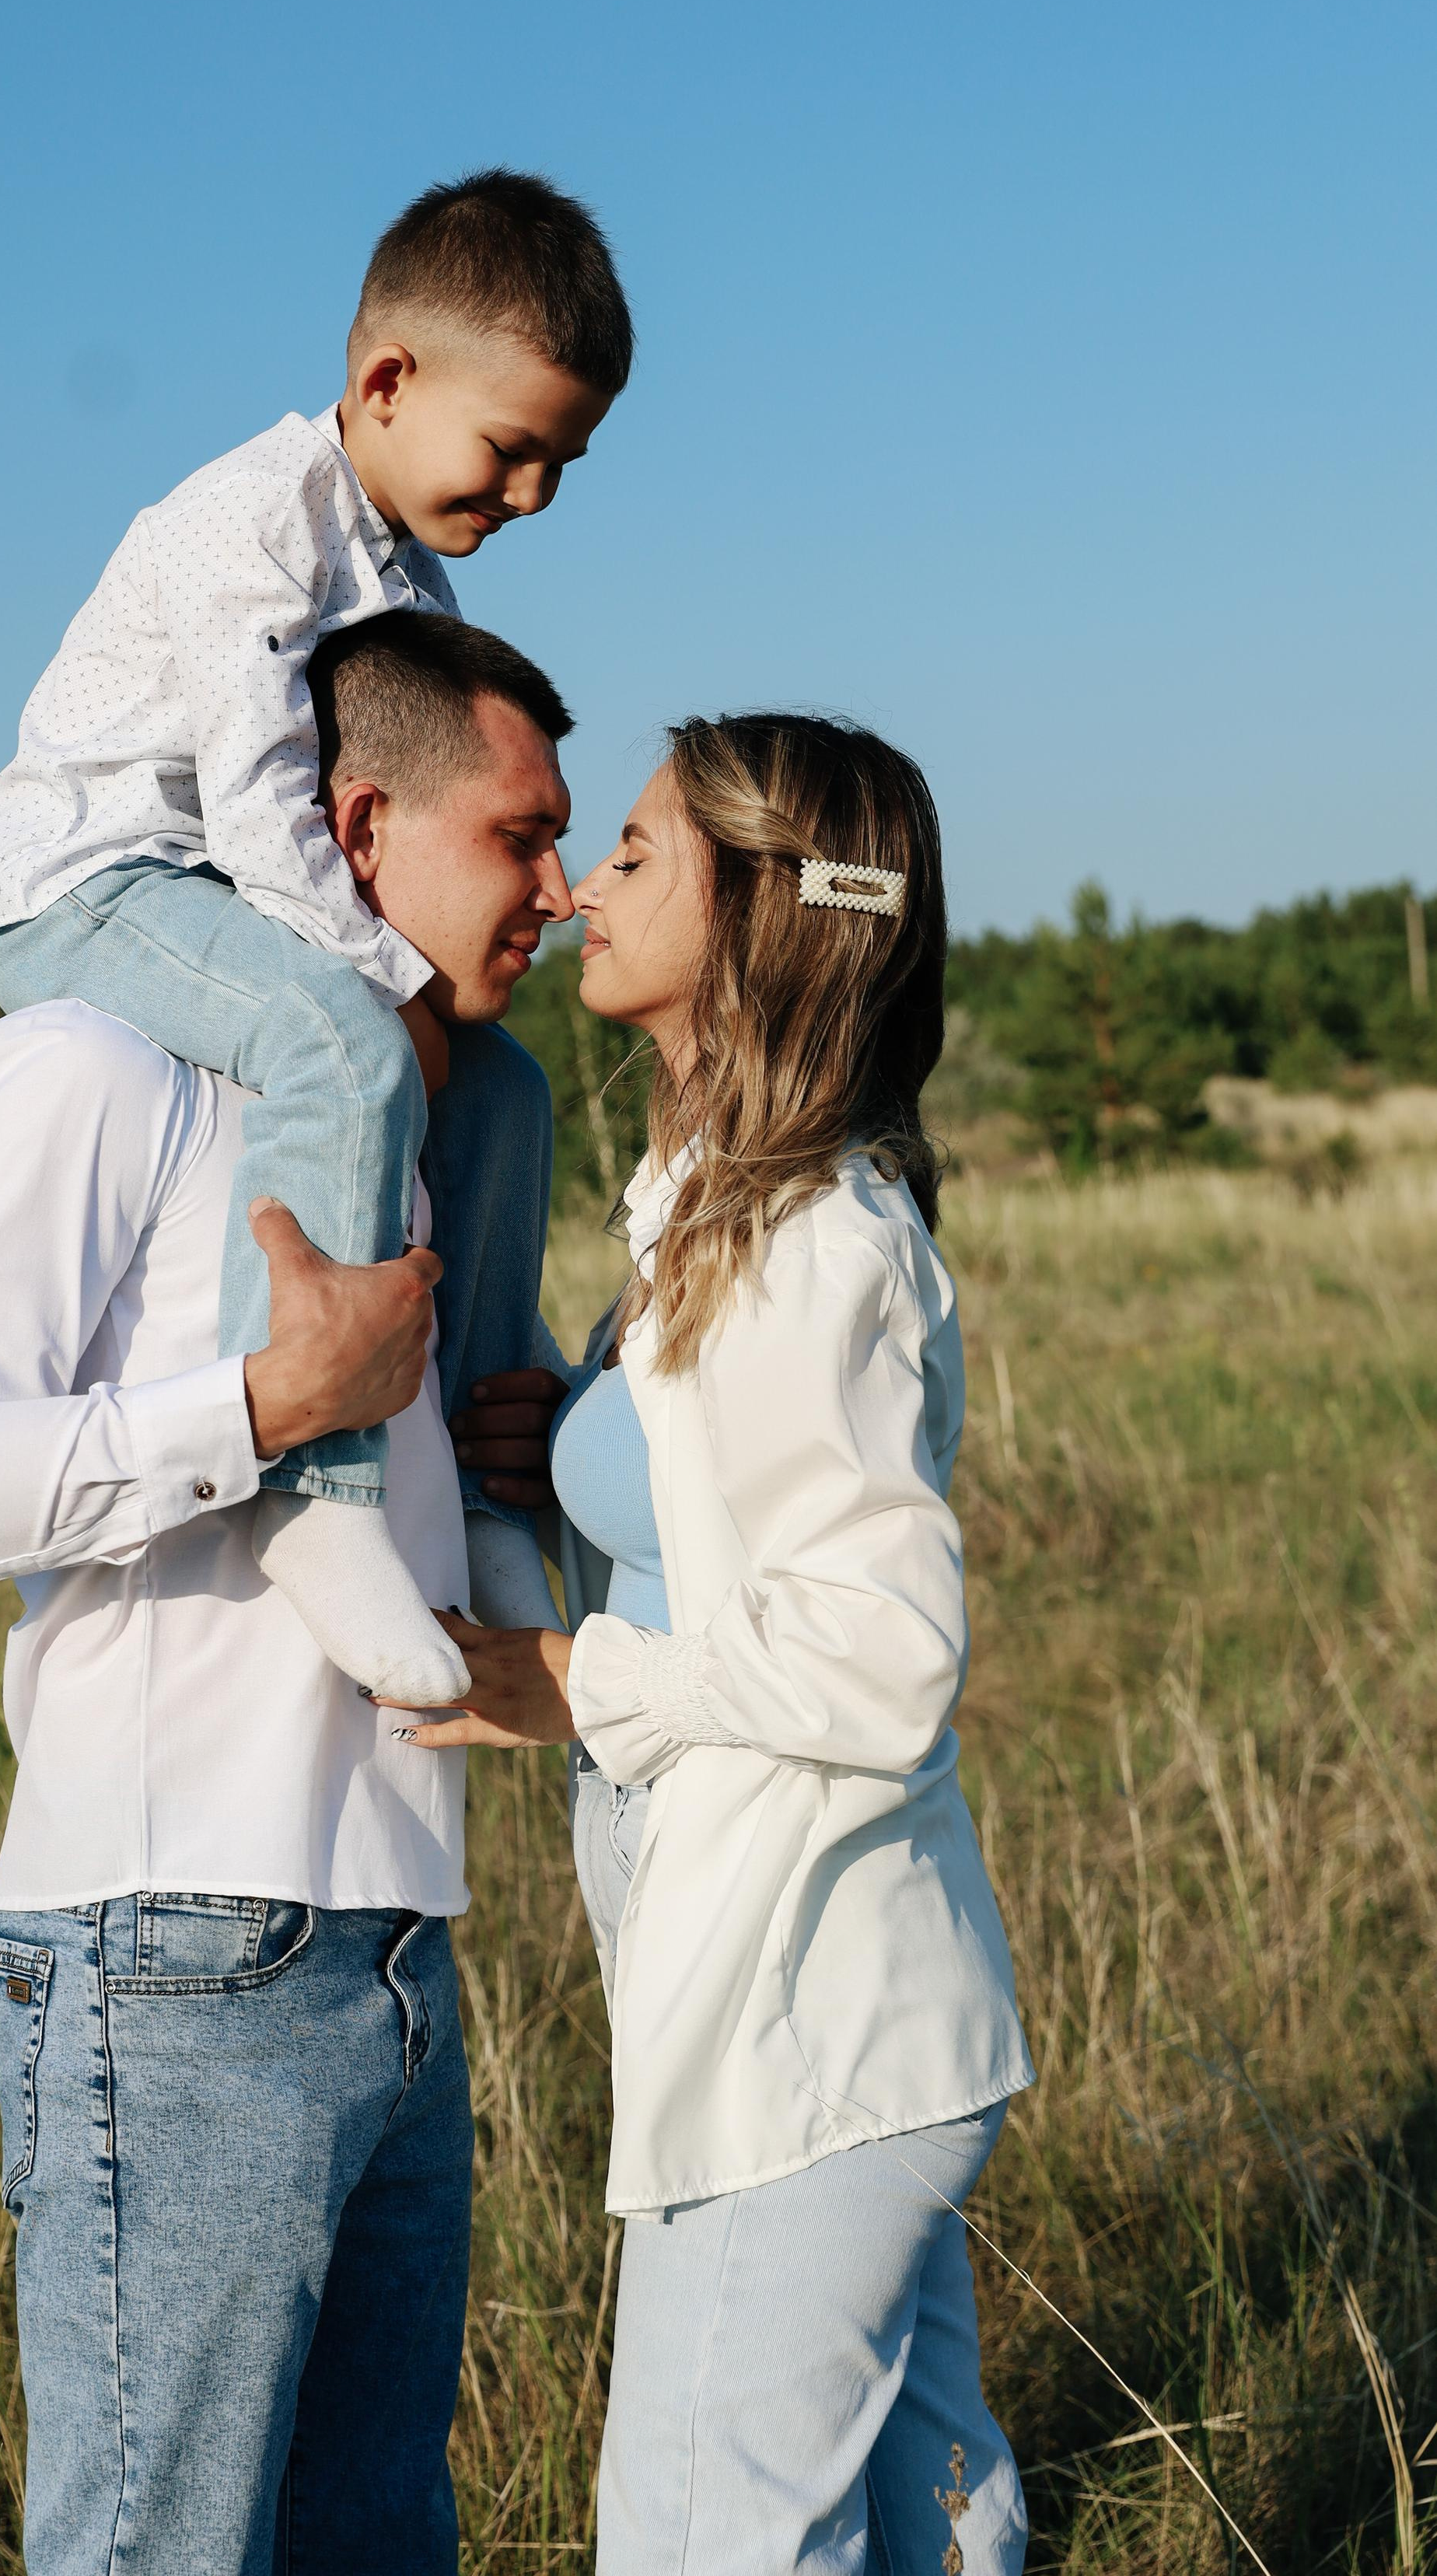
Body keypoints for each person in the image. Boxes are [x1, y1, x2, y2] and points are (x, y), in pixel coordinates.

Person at [0, 613, 577, 2576]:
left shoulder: (472, 1127)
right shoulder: (96, 1066)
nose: (563, 890)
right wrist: (261, 1404)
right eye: (522, 835)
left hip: (408, 1942)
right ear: (358, 826)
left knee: (378, 2542)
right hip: (170, 1953)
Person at [411, 711, 1034, 2575]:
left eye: (637, 849)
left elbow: (878, 1658)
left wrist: (571, 1681)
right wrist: (580, 1454)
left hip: (802, 2014)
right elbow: (741, 1556)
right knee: (935, 2512)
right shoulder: (716, 1208)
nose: (585, 882)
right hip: (816, 1995)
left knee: (703, 2536)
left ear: (765, 909)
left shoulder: (806, 1236)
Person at [0, 170, 629, 1704]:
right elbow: (272, 817)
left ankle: (470, 1480)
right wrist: (388, 979)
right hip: (96, 878)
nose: (531, 492)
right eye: (514, 448)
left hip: (223, 890)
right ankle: (316, 1498)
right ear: (386, 380)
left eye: (563, 463)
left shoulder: (406, 572)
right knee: (334, 1034)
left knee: (512, 1087)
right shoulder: (249, 527)